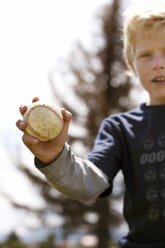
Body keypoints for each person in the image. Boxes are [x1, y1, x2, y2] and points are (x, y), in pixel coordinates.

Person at [16, 2, 165, 247]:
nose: (158, 62)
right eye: (146, 54)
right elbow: (91, 183)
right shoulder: (120, 128)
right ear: (132, 64)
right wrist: (56, 158)